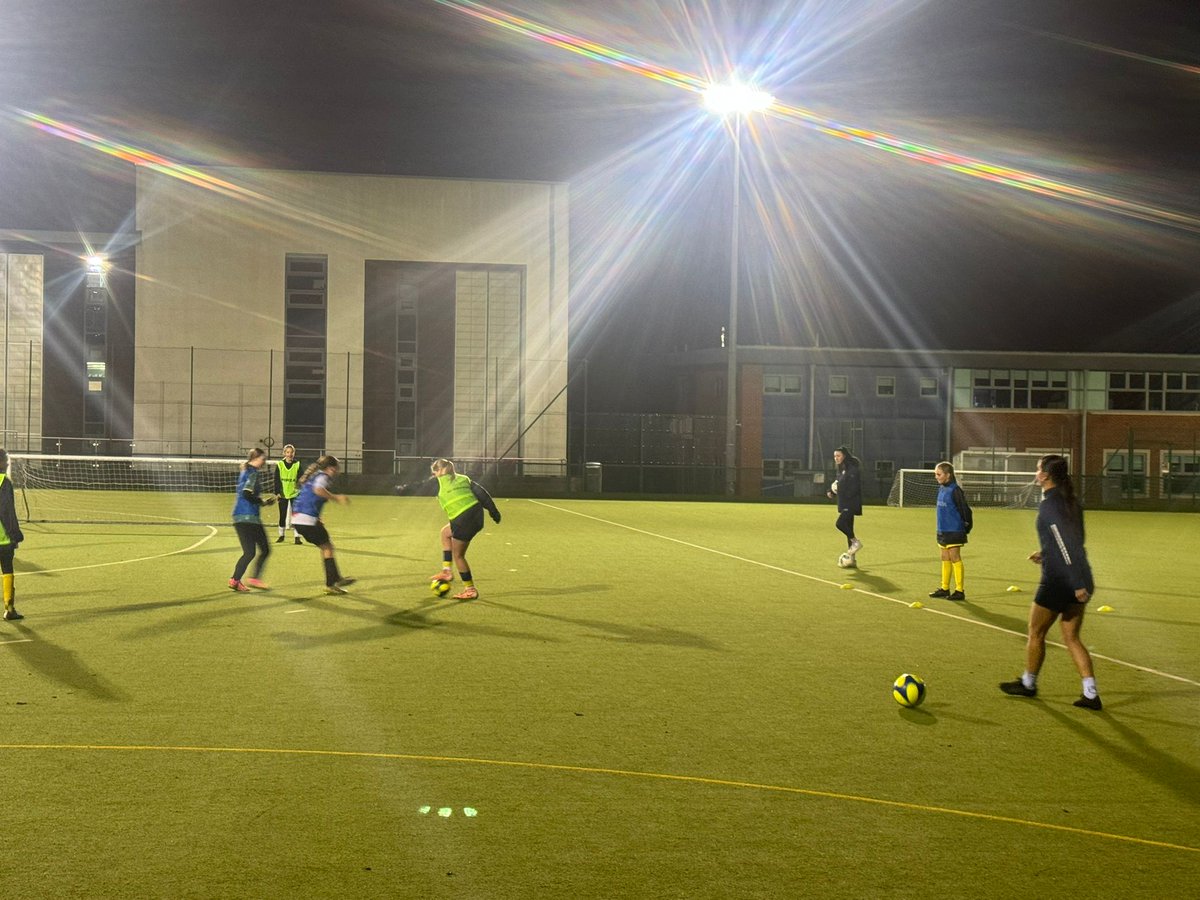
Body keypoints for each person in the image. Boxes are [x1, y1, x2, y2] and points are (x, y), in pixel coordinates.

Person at [1000, 454, 1102, 710]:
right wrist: (1046, 553)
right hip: (1079, 578)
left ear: (1045, 475)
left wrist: (1075, 581)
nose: (1035, 473)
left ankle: (1028, 684)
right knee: (1072, 638)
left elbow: (1067, 546)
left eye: (1037, 469)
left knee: (1036, 632)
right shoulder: (1072, 503)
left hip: (1059, 581)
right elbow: (1073, 543)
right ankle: (1090, 693)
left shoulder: (1049, 506)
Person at [429, 458, 501, 601]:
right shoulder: (463, 479)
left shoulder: (438, 482)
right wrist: (493, 512)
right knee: (445, 533)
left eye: (434, 472)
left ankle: (470, 589)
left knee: (459, 556)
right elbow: (482, 494)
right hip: (476, 516)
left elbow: (418, 485)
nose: (434, 475)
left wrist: (402, 488)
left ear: (438, 471)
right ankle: (447, 572)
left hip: (463, 521)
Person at [291, 455, 356, 594]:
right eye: (337, 467)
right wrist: (336, 498)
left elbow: (309, 497)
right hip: (306, 520)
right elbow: (318, 490)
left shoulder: (314, 476)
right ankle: (331, 584)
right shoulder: (323, 477)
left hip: (299, 519)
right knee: (327, 547)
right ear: (331, 468)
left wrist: (317, 517)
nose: (338, 470)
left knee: (327, 546)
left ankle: (336, 578)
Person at [229, 448, 274, 592]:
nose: (264, 462)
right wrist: (263, 502)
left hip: (239, 517)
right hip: (249, 518)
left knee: (249, 552)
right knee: (265, 550)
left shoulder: (245, 471)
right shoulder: (252, 473)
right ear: (256, 458)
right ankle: (253, 579)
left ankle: (235, 580)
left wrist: (263, 502)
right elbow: (247, 493)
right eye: (263, 459)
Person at [929, 462, 973, 601]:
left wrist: (966, 527)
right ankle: (944, 588)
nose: (936, 477)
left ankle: (959, 591)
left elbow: (965, 510)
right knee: (945, 558)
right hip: (942, 530)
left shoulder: (955, 490)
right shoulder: (941, 489)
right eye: (936, 474)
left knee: (955, 558)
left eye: (939, 474)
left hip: (954, 530)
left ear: (948, 475)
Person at [0, 449, 26, 621]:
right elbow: (6, 511)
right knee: (7, 570)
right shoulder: (4, 482)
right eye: (5, 460)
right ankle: (9, 609)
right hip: (3, 538)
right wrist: (15, 534)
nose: (8, 463)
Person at [826, 446, 863, 560]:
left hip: (850, 503)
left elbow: (853, 487)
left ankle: (855, 542)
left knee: (840, 524)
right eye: (834, 456)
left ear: (844, 456)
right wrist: (831, 491)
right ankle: (852, 559)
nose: (836, 458)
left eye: (838, 456)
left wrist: (840, 490)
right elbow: (838, 483)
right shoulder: (842, 469)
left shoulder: (851, 469)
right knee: (849, 528)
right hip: (844, 502)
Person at [274, 444, 303, 544]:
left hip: (295, 494)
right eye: (287, 452)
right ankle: (281, 535)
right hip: (283, 494)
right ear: (284, 453)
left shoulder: (297, 464)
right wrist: (277, 492)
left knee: (296, 516)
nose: (289, 454)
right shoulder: (280, 465)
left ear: (294, 453)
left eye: (291, 452)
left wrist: (301, 491)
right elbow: (276, 480)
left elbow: (301, 479)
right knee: (282, 515)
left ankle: (297, 537)